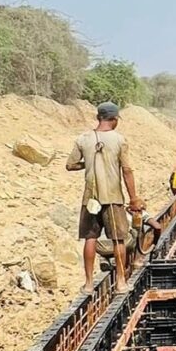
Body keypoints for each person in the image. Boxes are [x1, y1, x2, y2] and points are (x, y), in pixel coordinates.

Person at [66, 102, 143, 292]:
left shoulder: (83, 139)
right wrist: (133, 198)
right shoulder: (119, 140)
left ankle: (88, 284)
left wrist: (88, 163)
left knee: (90, 238)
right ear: (115, 119)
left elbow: (70, 165)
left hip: (90, 199)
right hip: (113, 198)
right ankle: (121, 282)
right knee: (118, 239)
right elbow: (127, 170)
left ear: (98, 117)